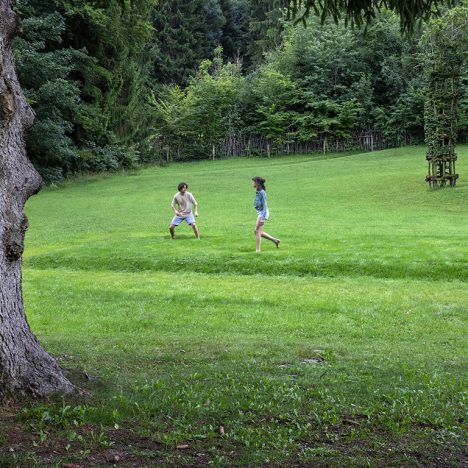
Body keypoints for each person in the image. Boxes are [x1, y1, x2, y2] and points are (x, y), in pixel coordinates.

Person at [252, 176, 280, 252]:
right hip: (261, 213)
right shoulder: (258, 191)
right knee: (258, 232)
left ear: (257, 183)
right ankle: (275, 240)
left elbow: (264, 205)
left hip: (263, 213)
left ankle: (258, 250)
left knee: (257, 231)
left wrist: (263, 218)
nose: (252, 183)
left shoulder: (262, 193)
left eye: (253, 182)